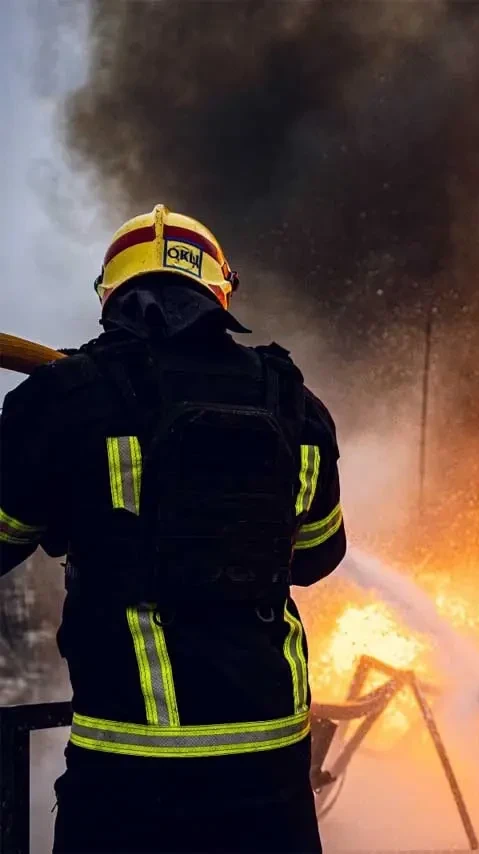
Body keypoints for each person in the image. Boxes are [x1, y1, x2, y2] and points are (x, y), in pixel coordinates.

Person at [0, 205, 346, 853]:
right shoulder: (296, 405)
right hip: (270, 766)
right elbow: (316, 556)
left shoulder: (61, 401)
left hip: (126, 772)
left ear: (111, 297)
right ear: (219, 292)